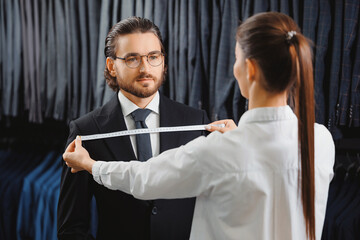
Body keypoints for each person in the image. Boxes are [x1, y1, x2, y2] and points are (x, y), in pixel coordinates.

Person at [63, 12, 335, 240]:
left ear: (250, 70)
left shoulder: (212, 140)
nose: (145, 66)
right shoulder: (322, 141)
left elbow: (144, 178)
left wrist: (91, 165)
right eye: (132, 58)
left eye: (236, 58)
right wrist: (238, 141)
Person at [57, 17, 209, 240]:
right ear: (112, 66)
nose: (145, 68)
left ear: (163, 61)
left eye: (153, 57)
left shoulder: (196, 122)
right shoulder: (87, 131)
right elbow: (71, 227)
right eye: (132, 59)